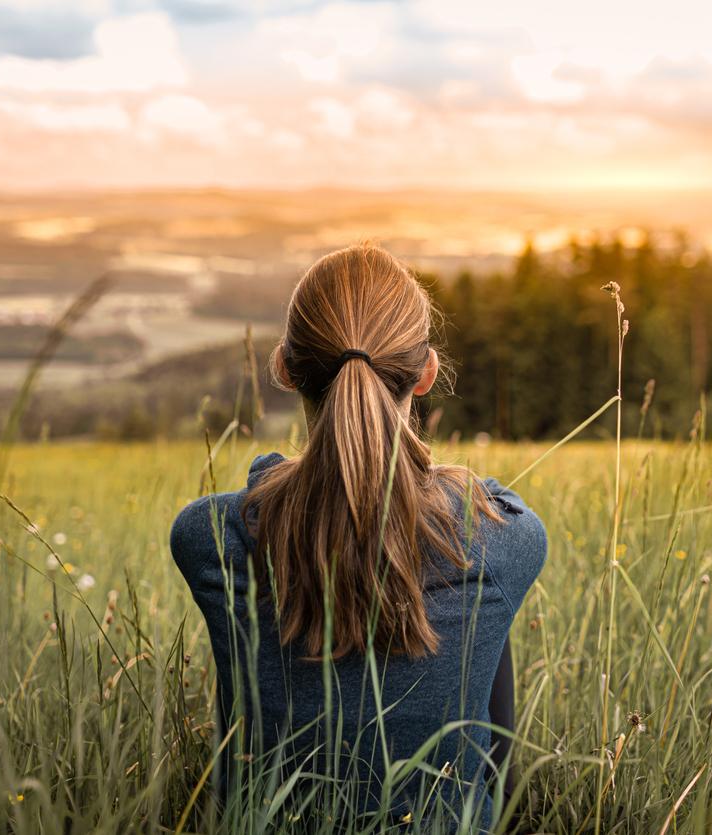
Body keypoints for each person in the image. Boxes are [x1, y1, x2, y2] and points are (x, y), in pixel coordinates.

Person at [169, 243, 547, 831]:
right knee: (485, 610)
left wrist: (271, 478)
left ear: (286, 369)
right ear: (427, 373)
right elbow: (483, 505)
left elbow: (275, 505)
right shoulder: (508, 538)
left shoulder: (210, 536)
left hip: (265, 820)